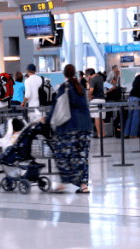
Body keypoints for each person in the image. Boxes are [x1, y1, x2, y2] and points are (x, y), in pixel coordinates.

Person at [44, 64, 92, 194]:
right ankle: (84, 186)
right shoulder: (80, 86)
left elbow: (56, 107)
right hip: (86, 126)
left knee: (62, 154)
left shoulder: (64, 87)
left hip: (70, 127)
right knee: (82, 156)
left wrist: (47, 122)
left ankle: (62, 184)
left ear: (64, 74)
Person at [86, 68, 105, 138]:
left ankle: (99, 134)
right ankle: (103, 133)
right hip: (102, 99)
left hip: (95, 100)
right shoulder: (100, 78)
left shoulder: (93, 80)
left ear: (89, 74)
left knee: (96, 118)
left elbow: (91, 89)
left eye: (87, 75)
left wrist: (89, 95)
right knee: (102, 117)